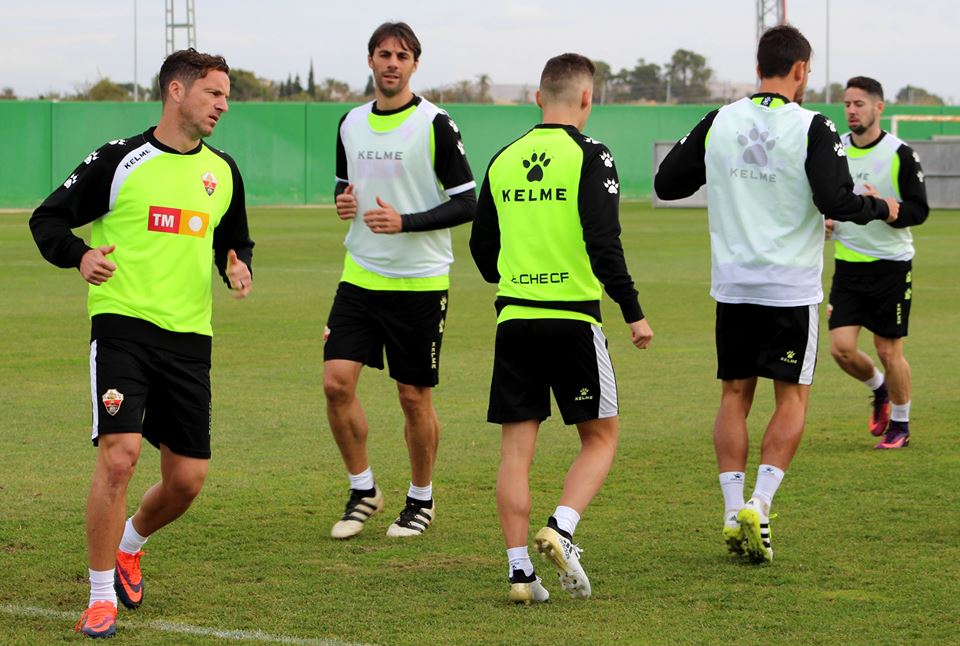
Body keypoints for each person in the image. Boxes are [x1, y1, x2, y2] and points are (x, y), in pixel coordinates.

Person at [29, 49, 253, 638]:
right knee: (120, 456)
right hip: (123, 326)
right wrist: (80, 256)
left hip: (190, 337)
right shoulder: (118, 160)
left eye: (226, 95)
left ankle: (130, 545)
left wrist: (237, 264)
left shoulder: (224, 171)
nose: (223, 105)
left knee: (187, 479)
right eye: (214, 93)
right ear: (176, 92)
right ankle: (100, 595)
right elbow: (47, 220)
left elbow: (233, 240)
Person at [654, 25, 898, 564]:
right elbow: (834, 197)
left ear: (758, 64)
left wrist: (726, 174)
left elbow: (668, 183)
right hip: (788, 287)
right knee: (791, 398)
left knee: (734, 397)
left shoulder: (720, 120)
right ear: (801, 70)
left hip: (734, 285)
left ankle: (729, 508)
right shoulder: (814, 125)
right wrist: (882, 209)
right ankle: (760, 505)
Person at [470, 53, 653, 603]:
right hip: (572, 320)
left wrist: (516, 275)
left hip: (515, 319)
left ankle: (519, 572)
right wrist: (633, 310)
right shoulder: (591, 154)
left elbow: (482, 249)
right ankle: (563, 528)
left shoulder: (504, 158)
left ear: (537, 98)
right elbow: (604, 241)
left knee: (515, 454)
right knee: (600, 438)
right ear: (586, 100)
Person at [324, 22, 476, 540]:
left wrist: (406, 222)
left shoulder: (436, 124)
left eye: (403, 55)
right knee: (335, 381)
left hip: (418, 281)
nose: (393, 62)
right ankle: (364, 488)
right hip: (359, 275)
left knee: (413, 396)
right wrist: (343, 203)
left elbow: (468, 202)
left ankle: (420, 498)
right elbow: (346, 190)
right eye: (384, 54)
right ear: (370, 60)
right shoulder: (349, 122)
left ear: (415, 65)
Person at [826, 76, 929, 450]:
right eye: (847, 104)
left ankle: (900, 425)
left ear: (878, 107)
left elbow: (919, 210)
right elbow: (822, 199)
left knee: (889, 350)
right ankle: (879, 389)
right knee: (841, 348)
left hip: (891, 266)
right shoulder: (835, 150)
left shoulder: (900, 153)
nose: (851, 111)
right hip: (848, 265)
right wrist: (826, 219)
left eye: (859, 104)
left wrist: (883, 208)